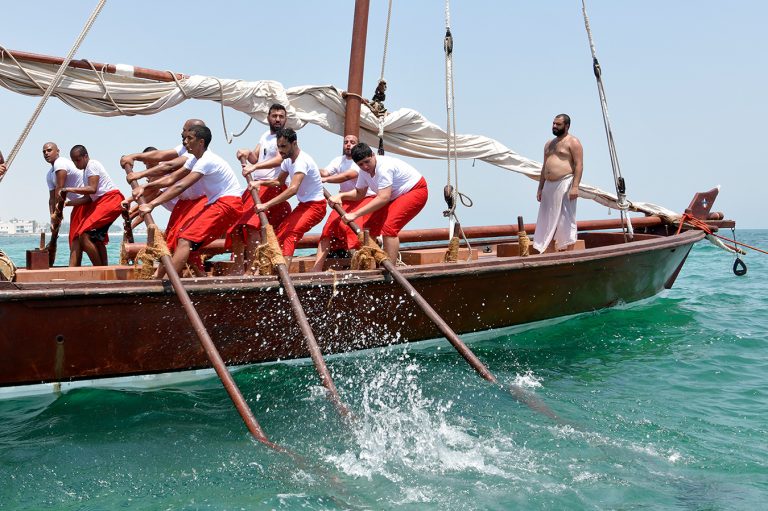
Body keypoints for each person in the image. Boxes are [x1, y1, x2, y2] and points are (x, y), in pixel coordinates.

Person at [137, 125, 242, 278]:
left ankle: (168, 282)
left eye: (189, 138)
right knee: (185, 239)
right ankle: (199, 279)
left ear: (201, 142)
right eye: (185, 138)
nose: (185, 142)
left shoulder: (206, 160)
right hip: (218, 203)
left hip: (228, 204)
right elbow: (172, 178)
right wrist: (145, 186)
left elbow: (180, 185)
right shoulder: (194, 159)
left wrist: (151, 204)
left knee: (185, 239)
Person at [329, 142, 428, 263]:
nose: (365, 167)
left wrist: (355, 214)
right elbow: (359, 193)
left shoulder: (384, 167)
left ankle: (390, 268)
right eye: (361, 164)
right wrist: (341, 195)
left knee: (389, 228)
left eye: (367, 161)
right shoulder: (363, 172)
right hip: (393, 196)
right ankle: (370, 263)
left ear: (373, 155)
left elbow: (383, 198)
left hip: (415, 190)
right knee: (368, 228)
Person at [228, 104, 290, 274]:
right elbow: (255, 158)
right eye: (274, 116)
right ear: (268, 118)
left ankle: (254, 268)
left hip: (271, 186)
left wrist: (254, 168)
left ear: (285, 119)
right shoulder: (265, 136)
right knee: (236, 225)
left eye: (281, 116)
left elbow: (279, 159)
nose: (277, 119)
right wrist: (247, 153)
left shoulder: (285, 138)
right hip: (255, 186)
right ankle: (239, 266)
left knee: (253, 225)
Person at [253, 127, 326, 267]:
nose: (280, 150)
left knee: (290, 235)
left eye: (284, 146)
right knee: (280, 234)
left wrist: (266, 205)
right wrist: (260, 182)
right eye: (279, 146)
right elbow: (279, 182)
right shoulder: (287, 160)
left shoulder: (302, 161)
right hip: (303, 205)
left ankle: (284, 272)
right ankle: (273, 269)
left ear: (294, 143)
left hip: (316, 207)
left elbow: (292, 189)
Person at [310, 134, 376, 272]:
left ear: (358, 145)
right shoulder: (338, 160)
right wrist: (312, 169)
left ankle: (360, 268)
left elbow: (348, 175)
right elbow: (325, 172)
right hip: (345, 200)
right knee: (327, 230)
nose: (348, 144)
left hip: (364, 199)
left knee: (353, 231)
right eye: (346, 142)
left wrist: (326, 180)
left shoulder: (360, 162)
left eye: (352, 142)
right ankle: (316, 269)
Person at [61, 145, 125, 266]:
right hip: (102, 202)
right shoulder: (85, 172)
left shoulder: (92, 165)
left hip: (110, 200)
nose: (76, 163)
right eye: (73, 161)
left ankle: (98, 269)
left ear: (85, 156)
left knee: (83, 235)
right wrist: (67, 203)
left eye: (78, 160)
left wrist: (68, 189)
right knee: (95, 238)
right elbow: (88, 198)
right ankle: (103, 267)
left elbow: (92, 189)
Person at [532, 113, 583, 253]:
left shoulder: (573, 142)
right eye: (553, 123)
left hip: (565, 183)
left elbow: (579, 165)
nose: (554, 126)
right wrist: (540, 188)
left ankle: (569, 253)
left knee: (566, 219)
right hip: (548, 185)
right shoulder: (549, 144)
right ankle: (548, 252)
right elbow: (544, 167)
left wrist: (575, 187)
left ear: (567, 126)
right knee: (546, 219)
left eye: (558, 124)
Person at [42, 142, 88, 265]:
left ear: (58, 151)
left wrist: (58, 214)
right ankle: (74, 268)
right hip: (77, 205)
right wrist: (52, 218)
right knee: (74, 239)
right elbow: (52, 199)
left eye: (49, 150)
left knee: (79, 238)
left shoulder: (60, 163)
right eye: (44, 152)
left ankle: (77, 268)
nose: (46, 153)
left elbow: (60, 190)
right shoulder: (49, 174)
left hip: (85, 202)